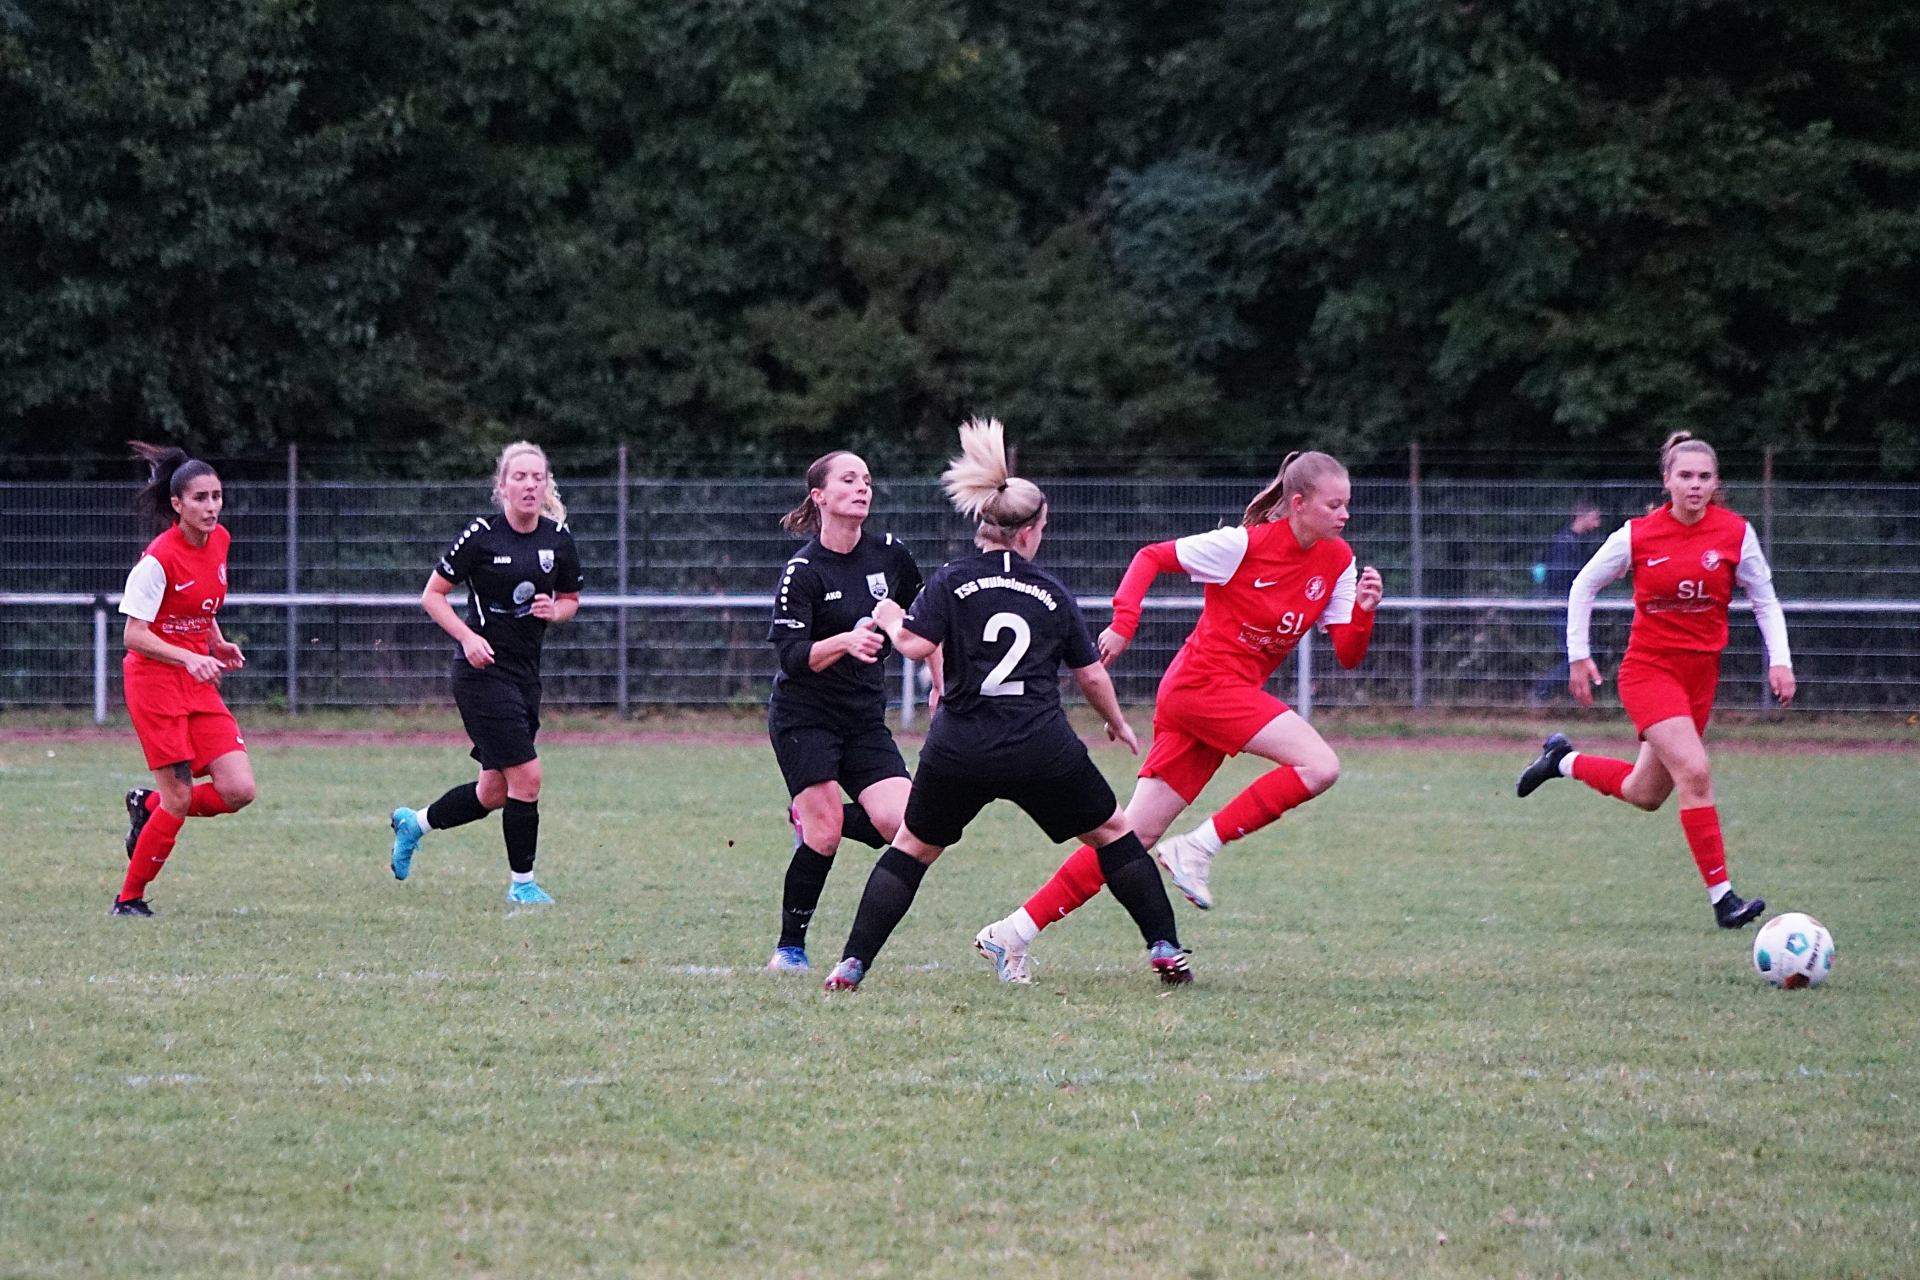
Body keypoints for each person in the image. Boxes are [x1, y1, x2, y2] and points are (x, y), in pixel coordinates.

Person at [972, 451, 1382, 982]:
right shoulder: (1241, 545)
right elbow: (1150, 557)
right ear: (1299, 503)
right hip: (1202, 687)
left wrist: (1364, 612)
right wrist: (1123, 623)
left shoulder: (1339, 560)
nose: (1345, 514)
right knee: (1320, 765)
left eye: (1347, 504)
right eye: (1334, 505)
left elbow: (1348, 653)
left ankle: (1011, 933)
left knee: (1128, 838)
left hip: (1219, 697)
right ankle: (1196, 847)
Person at [821, 419, 1190, 992]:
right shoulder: (1051, 591)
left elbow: (914, 646)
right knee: (1115, 834)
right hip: (1040, 746)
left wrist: (891, 616)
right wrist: (1116, 723)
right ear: (1028, 532)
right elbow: (1090, 674)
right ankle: (1164, 947)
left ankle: (851, 964)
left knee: (912, 849)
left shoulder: (951, 580)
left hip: (960, 747)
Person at [1516, 432, 1792, 928]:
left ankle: (1562, 761)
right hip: (1649, 671)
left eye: (1704, 477)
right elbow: (1583, 585)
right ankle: (1724, 900)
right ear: (1667, 480)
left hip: (1700, 678)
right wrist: (1578, 656)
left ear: (1716, 482)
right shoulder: (1637, 535)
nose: (1695, 485)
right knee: (1696, 772)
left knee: (1645, 793)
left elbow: (1765, 599)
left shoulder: (1735, 533)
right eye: (1685, 476)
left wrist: (1781, 660)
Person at [387, 442, 581, 903]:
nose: (529, 485)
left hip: (525, 677)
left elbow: (570, 600)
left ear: (546, 485)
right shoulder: (480, 536)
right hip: (481, 673)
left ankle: (414, 824)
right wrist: (467, 637)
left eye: (537, 477)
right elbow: (432, 596)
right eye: (520, 477)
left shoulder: (558, 539)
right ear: (503, 486)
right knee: (528, 777)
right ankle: (523, 887)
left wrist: (554, 611)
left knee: (493, 792)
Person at [762, 450, 930, 972]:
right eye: (850, 480)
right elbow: (792, 658)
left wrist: (942, 683)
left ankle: (807, 813)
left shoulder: (891, 555)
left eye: (868, 481)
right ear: (819, 496)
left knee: (907, 825)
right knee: (826, 833)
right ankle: (790, 948)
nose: (863, 489)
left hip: (863, 718)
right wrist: (844, 640)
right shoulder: (803, 570)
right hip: (804, 717)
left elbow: (926, 620)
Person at [114, 443, 257, 916]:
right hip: (154, 683)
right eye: (200, 498)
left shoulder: (220, 540)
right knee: (178, 798)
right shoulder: (157, 561)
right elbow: (134, 635)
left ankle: (148, 805)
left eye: (216, 496)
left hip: (196, 678)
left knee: (239, 789)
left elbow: (200, 602)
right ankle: (128, 899)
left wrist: (216, 642)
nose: (211, 506)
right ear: (177, 505)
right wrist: (188, 657)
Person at [1531, 499, 1604, 704]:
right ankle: (1540, 695)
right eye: (1594, 518)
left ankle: (1566, 699)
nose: (1597, 523)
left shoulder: (1576, 542)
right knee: (1576, 656)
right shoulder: (1565, 543)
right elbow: (1560, 578)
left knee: (1583, 653)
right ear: (1581, 516)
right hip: (1562, 608)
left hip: (1572, 607)